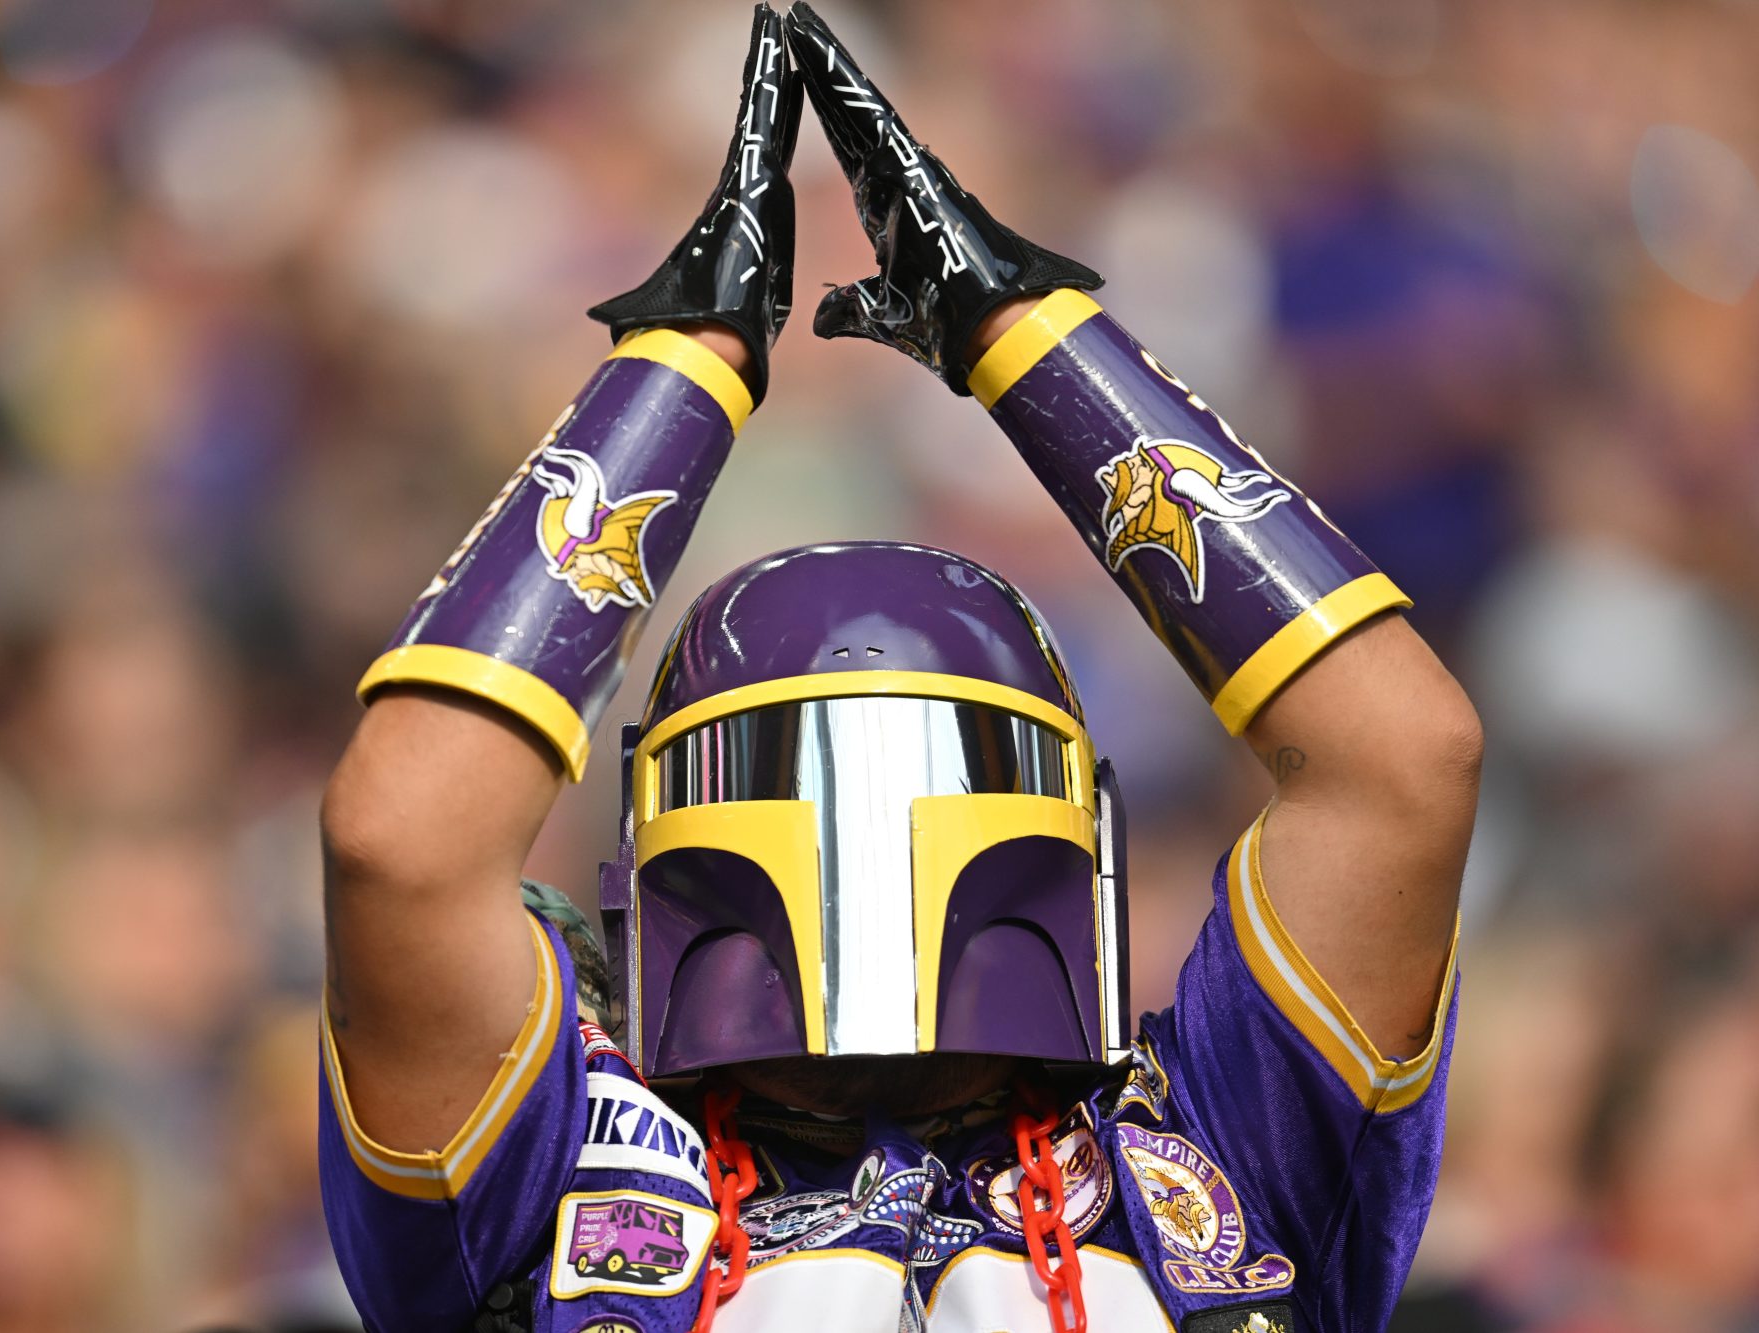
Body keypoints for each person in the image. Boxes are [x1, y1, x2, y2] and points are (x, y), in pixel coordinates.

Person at [315, 6, 1482, 1332]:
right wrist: (695, 366)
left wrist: (1014, 340)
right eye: (808, 770)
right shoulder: (553, 1149)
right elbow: (399, 836)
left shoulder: (1215, 1130)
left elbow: (1406, 760)